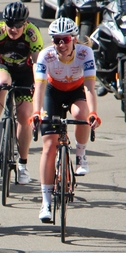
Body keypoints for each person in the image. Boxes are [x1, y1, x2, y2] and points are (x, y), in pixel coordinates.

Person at [31, 17, 101, 223]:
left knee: (81, 115)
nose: (61, 44)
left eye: (65, 39)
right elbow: (40, 87)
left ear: (74, 39)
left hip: (76, 90)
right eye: (56, 40)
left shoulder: (85, 53)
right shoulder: (46, 55)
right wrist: (36, 112)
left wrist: (93, 113)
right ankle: (45, 202)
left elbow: (89, 86)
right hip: (52, 92)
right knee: (49, 145)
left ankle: (81, 155)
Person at [0, 1, 43, 184]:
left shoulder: (32, 32)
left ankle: (22, 165)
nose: (13, 29)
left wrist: (38, 85)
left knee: (24, 115)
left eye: (18, 26)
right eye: (9, 24)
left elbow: (39, 64)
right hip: (2, 67)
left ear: (26, 23)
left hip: (24, 71)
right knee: (3, 84)